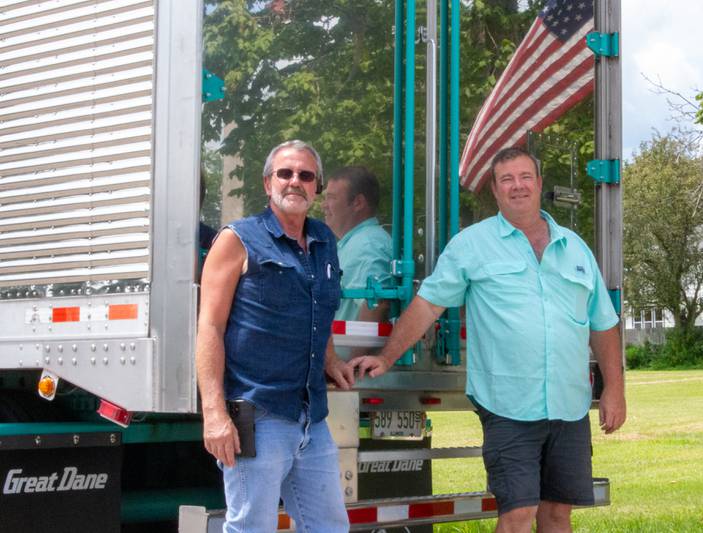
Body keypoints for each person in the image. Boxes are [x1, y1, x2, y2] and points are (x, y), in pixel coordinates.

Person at [351, 147, 626, 533]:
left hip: (568, 405)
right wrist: (387, 357)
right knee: (517, 514)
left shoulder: (575, 248)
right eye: (507, 180)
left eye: (525, 177)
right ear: (495, 191)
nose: (518, 186)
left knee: (558, 514)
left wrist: (615, 388)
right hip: (509, 405)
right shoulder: (472, 245)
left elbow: (603, 324)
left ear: (539, 183)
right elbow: (428, 304)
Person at [196, 140, 353, 532]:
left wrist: (330, 358)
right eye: (285, 173)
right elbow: (210, 327)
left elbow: (320, 307)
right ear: (268, 184)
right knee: (251, 527)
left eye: (305, 175)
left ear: (316, 187)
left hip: (311, 417)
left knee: (331, 527)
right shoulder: (237, 240)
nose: (294, 181)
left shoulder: (324, 241)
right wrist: (214, 413)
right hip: (257, 412)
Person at [322, 166, 393, 356]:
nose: (324, 205)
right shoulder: (354, 242)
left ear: (358, 203)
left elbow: (375, 304)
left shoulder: (367, 245)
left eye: (331, 197)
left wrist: (352, 369)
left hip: (348, 374)